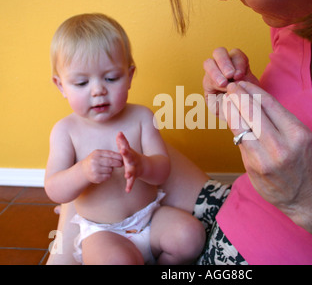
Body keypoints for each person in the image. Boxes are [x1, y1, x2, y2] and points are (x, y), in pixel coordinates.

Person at [48, 0, 312, 265]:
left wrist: (310, 200)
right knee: (110, 131)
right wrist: (247, 98)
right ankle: (73, 235)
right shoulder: (298, 15)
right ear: (59, 85)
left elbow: (158, 169)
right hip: (232, 206)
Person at [45, 13, 205, 265]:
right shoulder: (66, 130)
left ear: (129, 76)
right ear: (61, 85)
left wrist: (142, 165)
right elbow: (54, 188)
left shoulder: (141, 117)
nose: (98, 90)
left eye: (111, 78)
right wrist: (83, 172)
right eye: (81, 82)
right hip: (103, 232)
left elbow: (162, 170)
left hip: (149, 219)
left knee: (191, 236)